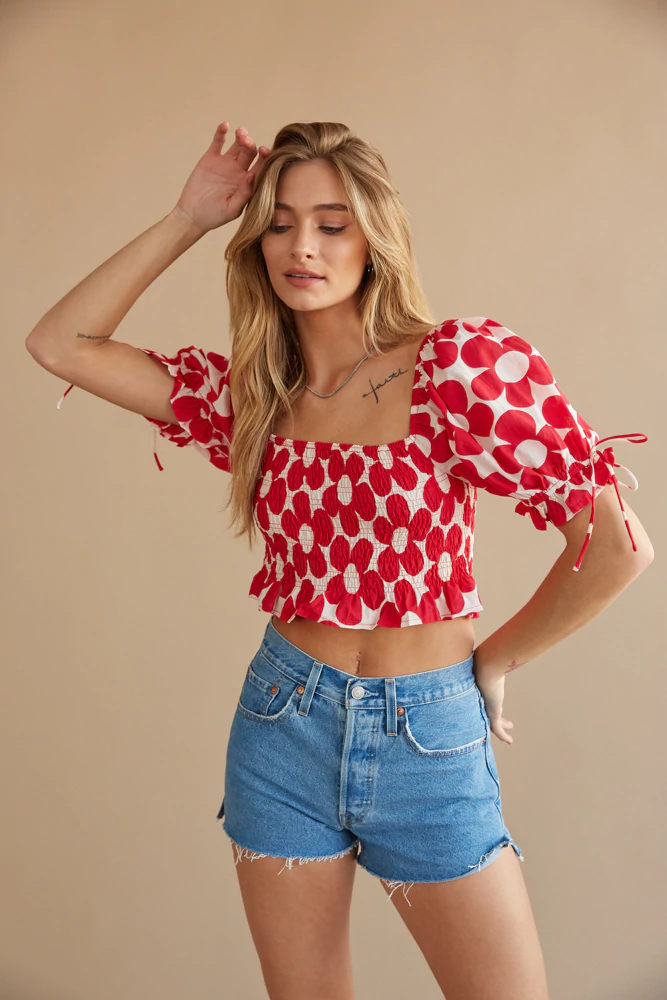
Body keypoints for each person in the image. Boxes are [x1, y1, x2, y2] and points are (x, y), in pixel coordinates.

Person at [26, 120, 652, 1000]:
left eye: (331, 223)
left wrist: (496, 659)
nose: (302, 247)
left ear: (374, 236)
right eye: (279, 224)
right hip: (282, 726)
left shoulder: (456, 369)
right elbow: (60, 344)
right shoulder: (254, 397)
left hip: (427, 736)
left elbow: (616, 546)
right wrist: (189, 216)